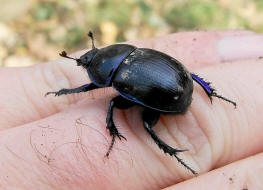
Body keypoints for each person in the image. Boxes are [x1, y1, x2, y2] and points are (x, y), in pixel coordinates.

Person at [0, 30, 262, 189]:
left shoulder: (118, 77)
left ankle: (169, 148)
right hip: (177, 85)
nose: (89, 57)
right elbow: (186, 72)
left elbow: (88, 88)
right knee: (147, 107)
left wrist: (64, 92)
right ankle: (210, 97)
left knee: (139, 119)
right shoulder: (135, 54)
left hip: (170, 97)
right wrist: (63, 91)